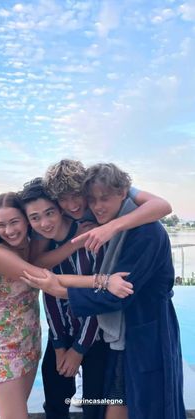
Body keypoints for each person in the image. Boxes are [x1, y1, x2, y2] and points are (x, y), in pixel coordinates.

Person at [22, 163, 186, 419]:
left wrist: (61, 287)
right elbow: (42, 268)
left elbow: (116, 294)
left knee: (146, 402)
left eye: (103, 198)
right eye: (92, 199)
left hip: (143, 330)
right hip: (115, 333)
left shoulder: (143, 231)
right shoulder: (80, 224)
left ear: (122, 193)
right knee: (111, 399)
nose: (93, 205)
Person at [19, 179, 108, 419]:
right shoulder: (41, 246)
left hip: (96, 336)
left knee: (96, 406)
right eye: (35, 218)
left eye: (49, 213)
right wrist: (59, 346)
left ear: (59, 208)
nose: (44, 223)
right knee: (56, 401)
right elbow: (51, 299)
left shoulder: (92, 237)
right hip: (62, 333)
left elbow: (97, 299)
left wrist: (79, 349)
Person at [0, 192, 48, 419]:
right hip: (3, 348)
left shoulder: (27, 247)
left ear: (26, 220)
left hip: (29, 340)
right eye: (1, 225)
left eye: (14, 221)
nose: (9, 230)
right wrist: (101, 281)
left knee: (16, 412)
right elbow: (47, 279)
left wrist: (79, 239)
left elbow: (46, 259)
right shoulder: (0, 254)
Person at [44, 159, 172, 253]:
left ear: (85, 187)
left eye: (77, 195)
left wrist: (111, 227)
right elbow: (38, 259)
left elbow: (163, 205)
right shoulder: (54, 212)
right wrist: (74, 244)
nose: (72, 206)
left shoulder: (108, 189)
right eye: (63, 199)